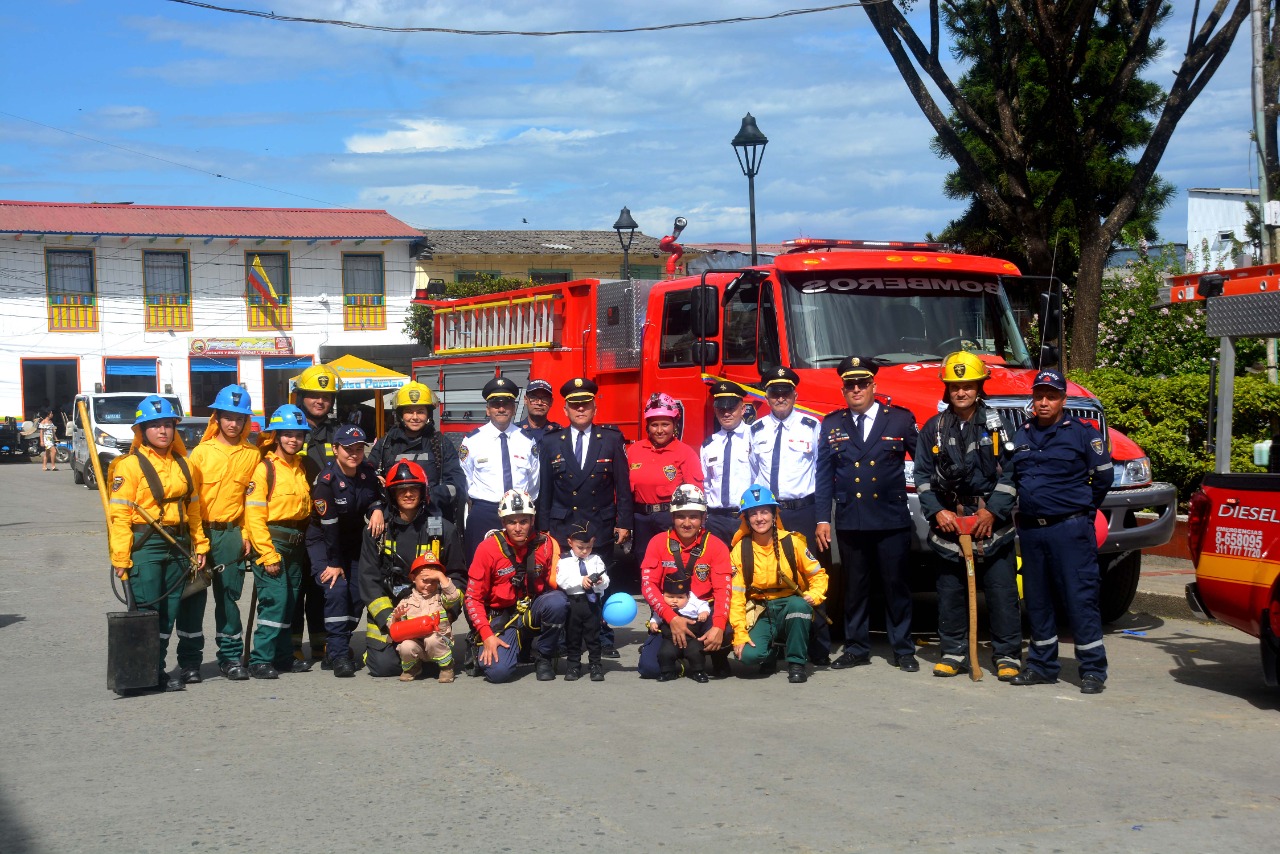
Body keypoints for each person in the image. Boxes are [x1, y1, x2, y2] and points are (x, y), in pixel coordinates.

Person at [914, 352, 1023, 680]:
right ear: (946, 390)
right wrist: (938, 512)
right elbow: (921, 475)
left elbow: (1013, 471)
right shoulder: (933, 429)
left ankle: (1007, 655)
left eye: (968, 386)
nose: (961, 392)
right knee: (950, 593)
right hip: (950, 527)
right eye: (955, 387)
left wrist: (993, 511)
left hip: (992, 525)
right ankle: (953, 652)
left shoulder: (997, 425)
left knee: (1002, 592)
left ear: (979, 387)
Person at [1009, 368, 1113, 695]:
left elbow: (1104, 479)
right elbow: (1010, 478)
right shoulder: (1021, 434)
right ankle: (1042, 666)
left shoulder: (1083, 433)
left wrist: (1081, 511)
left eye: (1051, 397)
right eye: (1039, 396)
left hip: (1071, 529)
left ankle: (1093, 669)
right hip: (1032, 531)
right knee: (1037, 600)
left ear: (1062, 400)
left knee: (1079, 597)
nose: (1043, 402)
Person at [815, 356, 921, 673]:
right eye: (850, 385)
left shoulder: (900, 420)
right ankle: (857, 647)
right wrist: (823, 518)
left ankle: (903, 649)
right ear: (844, 389)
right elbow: (823, 476)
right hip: (852, 520)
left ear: (874, 385)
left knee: (896, 587)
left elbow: (925, 463)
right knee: (854, 589)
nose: (856, 389)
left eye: (862, 383)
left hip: (890, 520)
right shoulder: (833, 423)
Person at [106, 395, 210, 692]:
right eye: (155, 426)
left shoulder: (186, 466)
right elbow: (120, 516)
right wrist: (121, 557)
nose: (163, 431)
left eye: (167, 425)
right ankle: (146, 671)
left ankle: (156, 669)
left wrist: (199, 545)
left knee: (169, 612)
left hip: (178, 543)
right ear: (142, 431)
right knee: (148, 611)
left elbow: (193, 510)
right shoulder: (129, 466)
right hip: (146, 544)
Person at [537, 377, 632, 657]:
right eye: (574, 406)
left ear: (594, 408)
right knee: (567, 582)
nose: (580, 410)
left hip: (598, 523)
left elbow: (623, 486)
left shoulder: (611, 439)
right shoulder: (552, 441)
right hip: (562, 524)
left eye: (585, 405)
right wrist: (543, 528)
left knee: (598, 581)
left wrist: (624, 522)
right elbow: (545, 489)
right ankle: (569, 637)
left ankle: (602, 636)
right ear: (565, 410)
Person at [748, 365, 831, 665]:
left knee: (811, 576)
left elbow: (823, 476)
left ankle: (819, 647)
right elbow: (752, 476)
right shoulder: (755, 430)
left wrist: (823, 518)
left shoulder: (812, 426)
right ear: (766, 396)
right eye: (774, 392)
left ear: (795, 394)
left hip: (804, 511)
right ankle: (774, 641)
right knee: (769, 575)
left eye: (785, 392)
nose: (780, 397)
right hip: (769, 514)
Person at [359, 460, 466, 678]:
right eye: (401, 490)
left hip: (430, 610)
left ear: (423, 492)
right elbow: (368, 579)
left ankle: (427, 650)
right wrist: (390, 620)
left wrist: (446, 613)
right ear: (391, 494)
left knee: (428, 654)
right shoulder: (377, 530)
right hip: (393, 612)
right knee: (384, 667)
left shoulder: (443, 529)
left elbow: (458, 575)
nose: (408, 494)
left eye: (413, 489)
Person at [188, 384, 259, 681]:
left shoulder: (252, 455)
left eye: (240, 418)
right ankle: (190, 661)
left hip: (231, 534)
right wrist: (195, 540)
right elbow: (189, 501)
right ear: (216, 418)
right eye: (228, 417)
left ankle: (229, 658)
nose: (234, 423)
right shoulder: (200, 454)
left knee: (229, 598)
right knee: (192, 598)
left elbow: (251, 501)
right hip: (199, 532)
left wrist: (245, 533)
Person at [465, 489, 567, 683]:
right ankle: (512, 647)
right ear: (503, 523)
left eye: (524, 521)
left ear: (532, 521)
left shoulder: (546, 545)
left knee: (557, 602)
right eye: (512, 522)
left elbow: (558, 586)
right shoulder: (487, 549)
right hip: (501, 617)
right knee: (498, 673)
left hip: (531, 610)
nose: (518, 528)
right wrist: (486, 635)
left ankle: (544, 655)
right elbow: (472, 598)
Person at [306, 424, 384, 678]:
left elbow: (374, 497)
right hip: (324, 542)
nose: (354, 454)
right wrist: (334, 563)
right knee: (336, 588)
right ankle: (339, 655)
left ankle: (336, 645)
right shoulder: (326, 483)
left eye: (359, 449)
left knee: (358, 591)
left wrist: (377, 509)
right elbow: (329, 529)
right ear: (336, 449)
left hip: (352, 541)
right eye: (348, 449)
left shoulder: (367, 473)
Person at [243, 404, 314, 680]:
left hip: (296, 543)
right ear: (276, 436)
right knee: (275, 600)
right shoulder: (265, 470)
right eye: (287, 434)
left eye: (298, 435)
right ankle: (260, 658)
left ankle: (283, 657)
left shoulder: (299, 468)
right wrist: (267, 554)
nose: (293, 440)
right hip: (273, 543)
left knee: (290, 601)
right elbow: (254, 515)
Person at [729, 485, 828, 684]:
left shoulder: (792, 542)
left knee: (799, 606)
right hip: (760, 609)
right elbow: (737, 596)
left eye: (765, 512)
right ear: (746, 519)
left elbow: (818, 575)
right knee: (748, 657)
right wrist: (739, 633)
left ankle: (796, 663)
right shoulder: (740, 549)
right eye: (753, 513)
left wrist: (814, 594)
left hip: (789, 605)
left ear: (774, 515)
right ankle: (770, 652)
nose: (760, 518)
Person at [637, 485, 734, 679]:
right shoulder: (657, 542)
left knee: (724, 633)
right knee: (649, 669)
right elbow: (648, 586)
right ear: (672, 518)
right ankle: (681, 660)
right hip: (669, 612)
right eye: (681, 516)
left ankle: (717, 656)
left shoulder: (716, 545)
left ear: (703, 518)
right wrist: (671, 618)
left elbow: (723, 590)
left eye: (694, 516)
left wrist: (719, 626)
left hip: (704, 614)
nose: (687, 523)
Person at [291, 363, 343, 666]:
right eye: (313, 395)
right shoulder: (287, 428)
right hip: (294, 522)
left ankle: (322, 642)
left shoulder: (338, 433)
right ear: (302, 396)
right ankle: (293, 644)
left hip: (326, 524)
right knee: (295, 586)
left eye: (325, 396)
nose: (320, 401)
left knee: (322, 584)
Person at [460, 376, 541, 562]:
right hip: (485, 512)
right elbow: (465, 480)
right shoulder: (472, 441)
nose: (501, 408)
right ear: (488, 409)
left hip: (520, 514)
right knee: (481, 565)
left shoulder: (527, 441)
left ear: (514, 408)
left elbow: (534, 482)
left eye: (507, 404)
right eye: (496, 404)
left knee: (521, 565)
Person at [369, 381, 465, 523]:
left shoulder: (442, 444)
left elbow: (457, 484)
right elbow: (366, 480)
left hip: (432, 518)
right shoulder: (386, 445)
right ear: (401, 415)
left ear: (428, 414)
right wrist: (376, 507)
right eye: (409, 411)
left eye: (420, 411)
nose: (415, 417)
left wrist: (427, 496)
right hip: (394, 521)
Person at [626, 392, 704, 566]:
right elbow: (624, 490)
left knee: (673, 561)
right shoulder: (634, 451)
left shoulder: (685, 453)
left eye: (665, 424)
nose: (660, 430)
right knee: (644, 561)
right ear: (647, 426)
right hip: (640, 518)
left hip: (669, 518)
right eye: (654, 425)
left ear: (675, 424)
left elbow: (696, 492)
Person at [388, 553, 460, 683]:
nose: (429, 585)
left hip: (438, 640)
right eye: (424, 580)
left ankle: (446, 667)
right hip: (416, 643)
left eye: (433, 581)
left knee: (431, 639)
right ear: (413, 578)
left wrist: (440, 575)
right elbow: (392, 626)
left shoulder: (440, 597)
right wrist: (396, 618)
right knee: (406, 646)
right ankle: (413, 667)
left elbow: (454, 597)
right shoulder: (406, 600)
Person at [700, 381, 757, 546]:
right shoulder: (709, 444)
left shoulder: (755, 438)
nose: (726, 414)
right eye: (721, 409)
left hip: (745, 517)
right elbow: (706, 483)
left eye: (731, 408)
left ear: (743, 409)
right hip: (716, 520)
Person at [554, 518, 609, 682]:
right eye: (581, 547)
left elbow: (606, 580)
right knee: (573, 636)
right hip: (574, 603)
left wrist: (601, 582)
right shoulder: (564, 561)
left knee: (593, 636)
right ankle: (573, 665)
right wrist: (581, 581)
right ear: (570, 542)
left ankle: (595, 665)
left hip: (592, 603)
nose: (585, 551)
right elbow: (561, 580)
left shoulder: (596, 560)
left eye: (589, 547)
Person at [653, 574, 712, 682]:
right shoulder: (662, 606)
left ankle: (698, 671)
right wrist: (653, 624)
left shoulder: (693, 602)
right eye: (670, 597)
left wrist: (704, 612)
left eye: (680, 597)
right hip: (671, 639)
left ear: (688, 596)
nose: (674, 601)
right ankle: (668, 672)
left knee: (696, 652)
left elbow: (703, 605)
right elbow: (656, 617)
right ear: (663, 595)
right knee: (664, 653)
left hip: (691, 638)